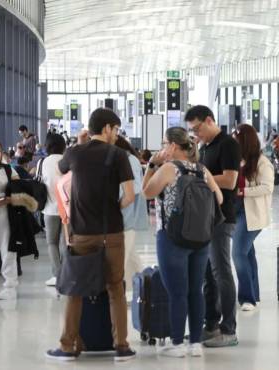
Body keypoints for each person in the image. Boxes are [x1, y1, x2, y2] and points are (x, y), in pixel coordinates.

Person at [46, 108, 136, 361]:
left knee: (76, 290)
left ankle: (67, 346)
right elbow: (129, 196)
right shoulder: (118, 155)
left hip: (82, 235)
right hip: (112, 235)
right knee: (116, 289)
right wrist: (111, 208)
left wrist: (79, 143)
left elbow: (60, 175)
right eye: (116, 130)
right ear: (106, 128)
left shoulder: (74, 153)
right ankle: (121, 346)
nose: (117, 135)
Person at [142, 127, 223, 357]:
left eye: (164, 143)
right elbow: (219, 197)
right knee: (195, 290)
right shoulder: (202, 170)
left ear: (174, 146)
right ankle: (195, 343)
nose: (162, 148)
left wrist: (151, 165)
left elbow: (147, 192)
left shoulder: (169, 169)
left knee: (176, 292)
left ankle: (177, 343)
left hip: (172, 237)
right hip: (201, 238)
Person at [185, 105, 241, 347]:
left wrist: (197, 175)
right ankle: (211, 324)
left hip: (221, 218)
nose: (196, 135)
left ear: (209, 120)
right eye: (192, 132)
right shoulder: (206, 147)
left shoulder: (228, 144)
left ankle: (229, 330)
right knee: (208, 275)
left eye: (198, 129)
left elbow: (230, 180)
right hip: (206, 217)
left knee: (221, 272)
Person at [231, 124, 274, 312]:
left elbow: (267, 187)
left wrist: (242, 191)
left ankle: (247, 298)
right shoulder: (235, 160)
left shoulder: (262, 162)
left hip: (251, 214)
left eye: (236, 138)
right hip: (234, 212)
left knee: (238, 253)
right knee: (248, 254)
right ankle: (254, 293)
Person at [114, 136, 148, 296]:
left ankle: (122, 293)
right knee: (130, 255)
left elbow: (134, 188)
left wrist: (116, 203)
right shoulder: (123, 159)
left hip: (126, 215)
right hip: (123, 215)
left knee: (122, 256)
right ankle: (145, 288)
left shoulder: (130, 160)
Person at [37, 133, 67, 287]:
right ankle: (66, 275)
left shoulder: (42, 162)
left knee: (51, 243)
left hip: (49, 209)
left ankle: (56, 275)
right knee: (64, 242)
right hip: (67, 209)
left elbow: (39, 181)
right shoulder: (66, 160)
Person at [0, 139, 19, 300]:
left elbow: (19, 188)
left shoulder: (8, 170)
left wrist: (8, 199)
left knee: (8, 250)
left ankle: (10, 286)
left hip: (7, 215)